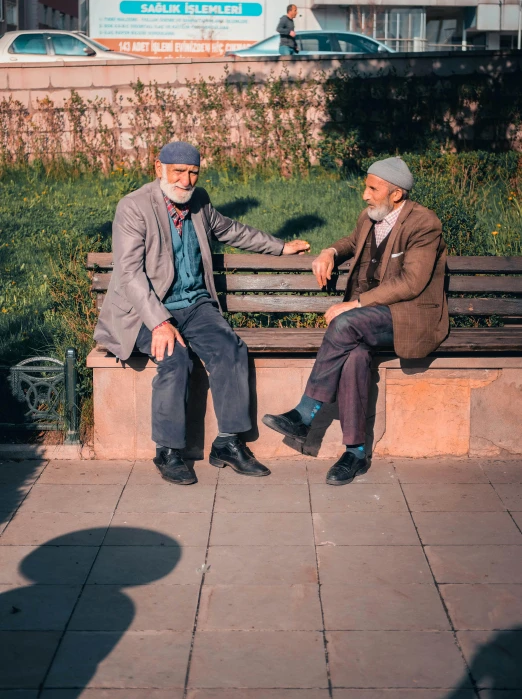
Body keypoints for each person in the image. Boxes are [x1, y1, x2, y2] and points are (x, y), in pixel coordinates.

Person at [94, 141, 310, 485]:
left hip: (195, 304)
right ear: (159, 168)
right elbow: (130, 274)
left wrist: (281, 246)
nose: (186, 180)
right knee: (175, 358)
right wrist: (160, 322)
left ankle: (228, 442)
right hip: (146, 311)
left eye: (193, 172)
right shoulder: (134, 207)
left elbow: (231, 230)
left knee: (230, 348)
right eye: (178, 171)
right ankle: (167, 451)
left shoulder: (199, 202)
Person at [263, 157, 449, 485]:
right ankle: (356, 452)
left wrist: (355, 304)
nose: (364, 194)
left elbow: (412, 283)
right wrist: (329, 253)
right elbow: (350, 243)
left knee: (344, 323)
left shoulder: (424, 224)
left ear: (397, 195)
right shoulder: (370, 217)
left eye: (372, 188)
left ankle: (305, 414)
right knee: (354, 356)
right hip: (369, 319)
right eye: (366, 186)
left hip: (408, 316)